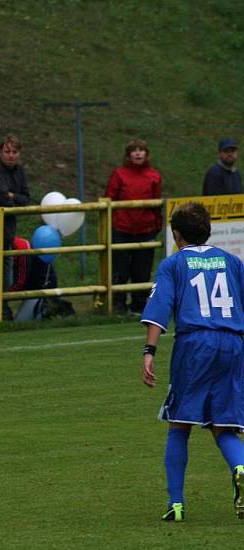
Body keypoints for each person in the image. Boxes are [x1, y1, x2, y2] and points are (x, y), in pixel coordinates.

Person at [140, 202, 244, 522]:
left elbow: (160, 309)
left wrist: (149, 352)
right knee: (223, 423)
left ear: (176, 234)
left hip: (195, 344)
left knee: (179, 424)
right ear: (208, 231)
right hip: (233, 344)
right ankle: (241, 467)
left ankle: (177, 504)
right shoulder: (232, 262)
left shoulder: (173, 265)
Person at [104, 138, 162, 314]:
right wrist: (112, 225)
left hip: (146, 230)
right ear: (128, 155)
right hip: (121, 229)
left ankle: (139, 305)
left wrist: (155, 225)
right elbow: (108, 199)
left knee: (142, 271)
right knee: (120, 271)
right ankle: (118, 306)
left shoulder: (154, 176)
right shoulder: (119, 174)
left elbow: (158, 204)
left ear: (146, 154)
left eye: (141, 150)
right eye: (134, 150)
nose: (138, 153)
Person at [0, 134, 32, 320]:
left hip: (7, 231)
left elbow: (26, 198)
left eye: (15, 152)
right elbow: (1, 198)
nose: (11, 155)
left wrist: (13, 196)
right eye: (7, 151)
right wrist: (11, 197)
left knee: (6, 277)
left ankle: (3, 309)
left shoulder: (20, 171)